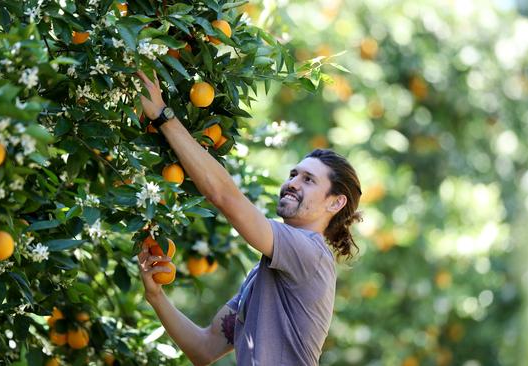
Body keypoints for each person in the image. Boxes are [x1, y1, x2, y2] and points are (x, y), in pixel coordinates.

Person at [135, 70, 362, 366]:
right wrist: (156, 296)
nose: (293, 183)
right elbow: (204, 349)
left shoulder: (311, 254)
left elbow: (225, 197)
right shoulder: (263, 276)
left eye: (309, 180)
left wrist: (164, 117)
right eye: (293, 174)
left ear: (335, 203)